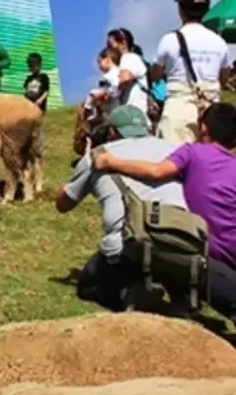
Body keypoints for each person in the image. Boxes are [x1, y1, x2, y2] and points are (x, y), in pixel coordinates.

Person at [93, 103, 236, 322]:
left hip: (206, 259)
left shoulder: (192, 152)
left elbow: (156, 171)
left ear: (204, 128)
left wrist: (111, 161)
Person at [55, 106, 185, 312]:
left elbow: (63, 204)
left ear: (112, 132)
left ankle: (131, 296)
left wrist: (70, 179)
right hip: (182, 241)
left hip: (130, 248)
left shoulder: (100, 155)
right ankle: (180, 298)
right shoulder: (176, 151)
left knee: (88, 284)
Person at [152, 0, 229, 144]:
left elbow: (155, 75)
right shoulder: (219, 42)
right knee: (208, 163)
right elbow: (223, 78)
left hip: (179, 107)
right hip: (210, 110)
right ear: (206, 9)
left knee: (174, 161)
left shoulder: (169, 40)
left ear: (180, 9)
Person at [106, 28, 149, 119]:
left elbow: (125, 78)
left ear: (123, 43)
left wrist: (113, 91)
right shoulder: (133, 58)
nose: (108, 50)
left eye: (110, 45)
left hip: (134, 115)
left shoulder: (127, 57)